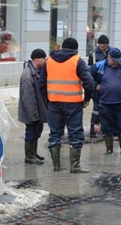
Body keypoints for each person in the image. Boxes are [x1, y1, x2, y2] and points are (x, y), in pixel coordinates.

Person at [39, 37, 94, 173]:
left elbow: (41, 84)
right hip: (73, 104)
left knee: (55, 133)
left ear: (62, 47)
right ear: (75, 49)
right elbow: (89, 83)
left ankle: (56, 166)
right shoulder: (77, 61)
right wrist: (86, 99)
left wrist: (48, 99)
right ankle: (74, 166)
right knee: (75, 133)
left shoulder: (49, 61)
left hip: (54, 103)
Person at [90, 47, 121, 154]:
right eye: (114, 60)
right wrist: (95, 85)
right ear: (108, 57)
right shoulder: (98, 67)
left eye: (118, 60)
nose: (116, 63)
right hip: (105, 105)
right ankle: (109, 150)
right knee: (106, 129)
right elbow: (87, 77)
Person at [18, 48, 47, 165]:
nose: (45, 61)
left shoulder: (36, 72)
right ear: (37, 59)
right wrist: (33, 114)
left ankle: (34, 153)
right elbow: (28, 98)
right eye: (43, 59)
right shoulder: (27, 74)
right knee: (30, 133)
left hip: (37, 111)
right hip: (31, 112)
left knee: (36, 132)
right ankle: (29, 156)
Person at [87, 34, 111, 138]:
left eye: (104, 44)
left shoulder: (112, 53)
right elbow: (89, 73)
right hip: (97, 86)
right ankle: (94, 129)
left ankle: (106, 129)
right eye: (100, 44)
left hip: (109, 85)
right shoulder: (93, 54)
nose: (102, 45)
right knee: (97, 108)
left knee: (108, 108)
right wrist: (95, 85)